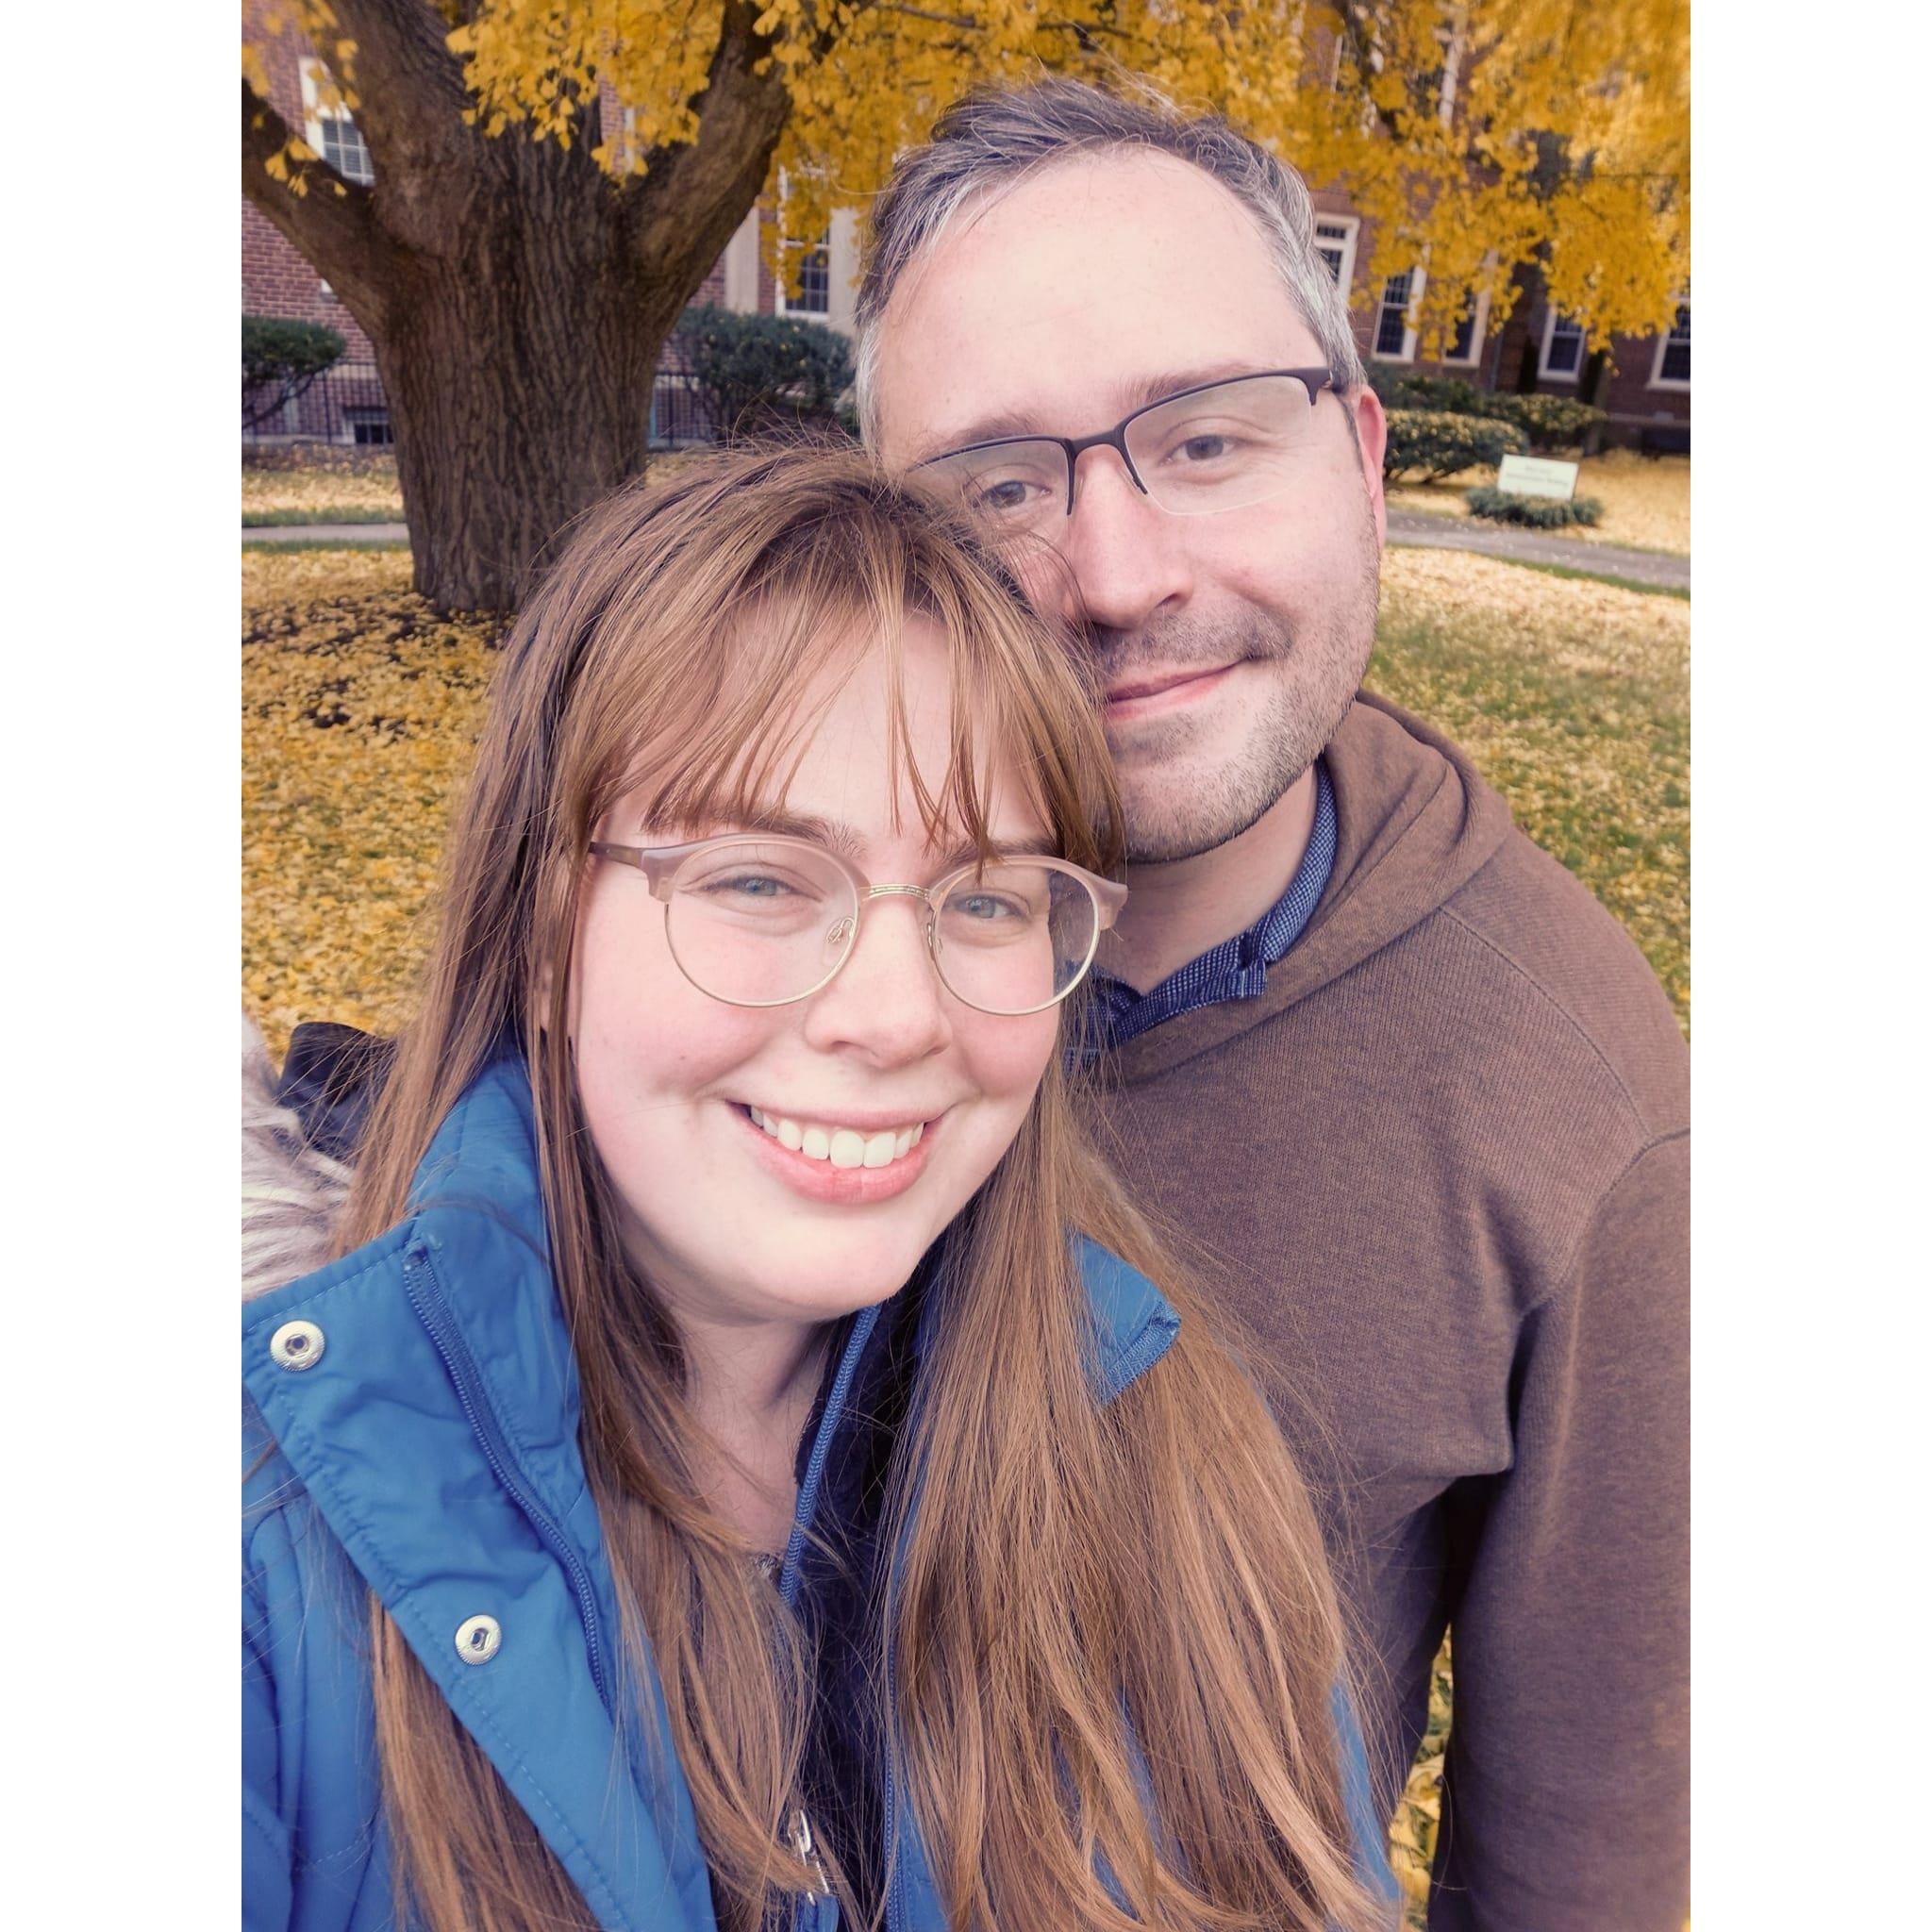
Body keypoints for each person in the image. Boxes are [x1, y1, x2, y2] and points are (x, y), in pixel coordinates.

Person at [242, 446, 1399, 1932]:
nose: (897, 1014)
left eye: (986, 897)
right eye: (762, 879)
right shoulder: (267, 1552)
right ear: (542, 933)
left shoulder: (1173, 1467)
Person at [855, 80, 1690, 1932]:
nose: (1118, 574)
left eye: (1209, 440)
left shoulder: (1575, 1097)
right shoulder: (720, 961)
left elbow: (1578, 1874)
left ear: (1363, 460)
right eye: (994, 483)